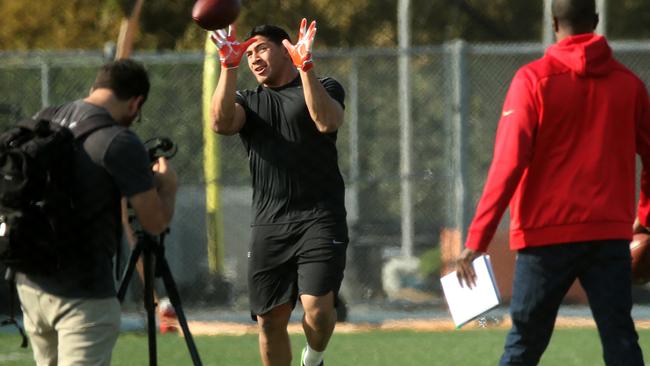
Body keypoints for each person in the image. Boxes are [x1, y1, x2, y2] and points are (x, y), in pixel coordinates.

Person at [455, 0, 648, 365]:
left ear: (554, 22)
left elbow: (508, 164)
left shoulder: (532, 80)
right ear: (595, 20)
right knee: (621, 339)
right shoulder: (629, 85)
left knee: (524, 344)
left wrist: (477, 239)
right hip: (608, 237)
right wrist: (645, 218)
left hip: (544, 238)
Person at [15, 59, 178, 365]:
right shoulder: (119, 140)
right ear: (136, 102)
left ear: (96, 87)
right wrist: (167, 187)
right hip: (84, 295)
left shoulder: (46, 119)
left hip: (32, 284)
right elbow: (154, 223)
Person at [209, 19, 348, 366]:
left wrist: (307, 69)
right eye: (248, 52)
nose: (253, 57)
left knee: (318, 312)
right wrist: (228, 67)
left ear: (285, 50)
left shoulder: (324, 85)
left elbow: (326, 121)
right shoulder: (248, 100)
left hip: (320, 218)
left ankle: (313, 359)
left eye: (261, 49)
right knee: (270, 321)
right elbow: (221, 123)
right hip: (270, 224)